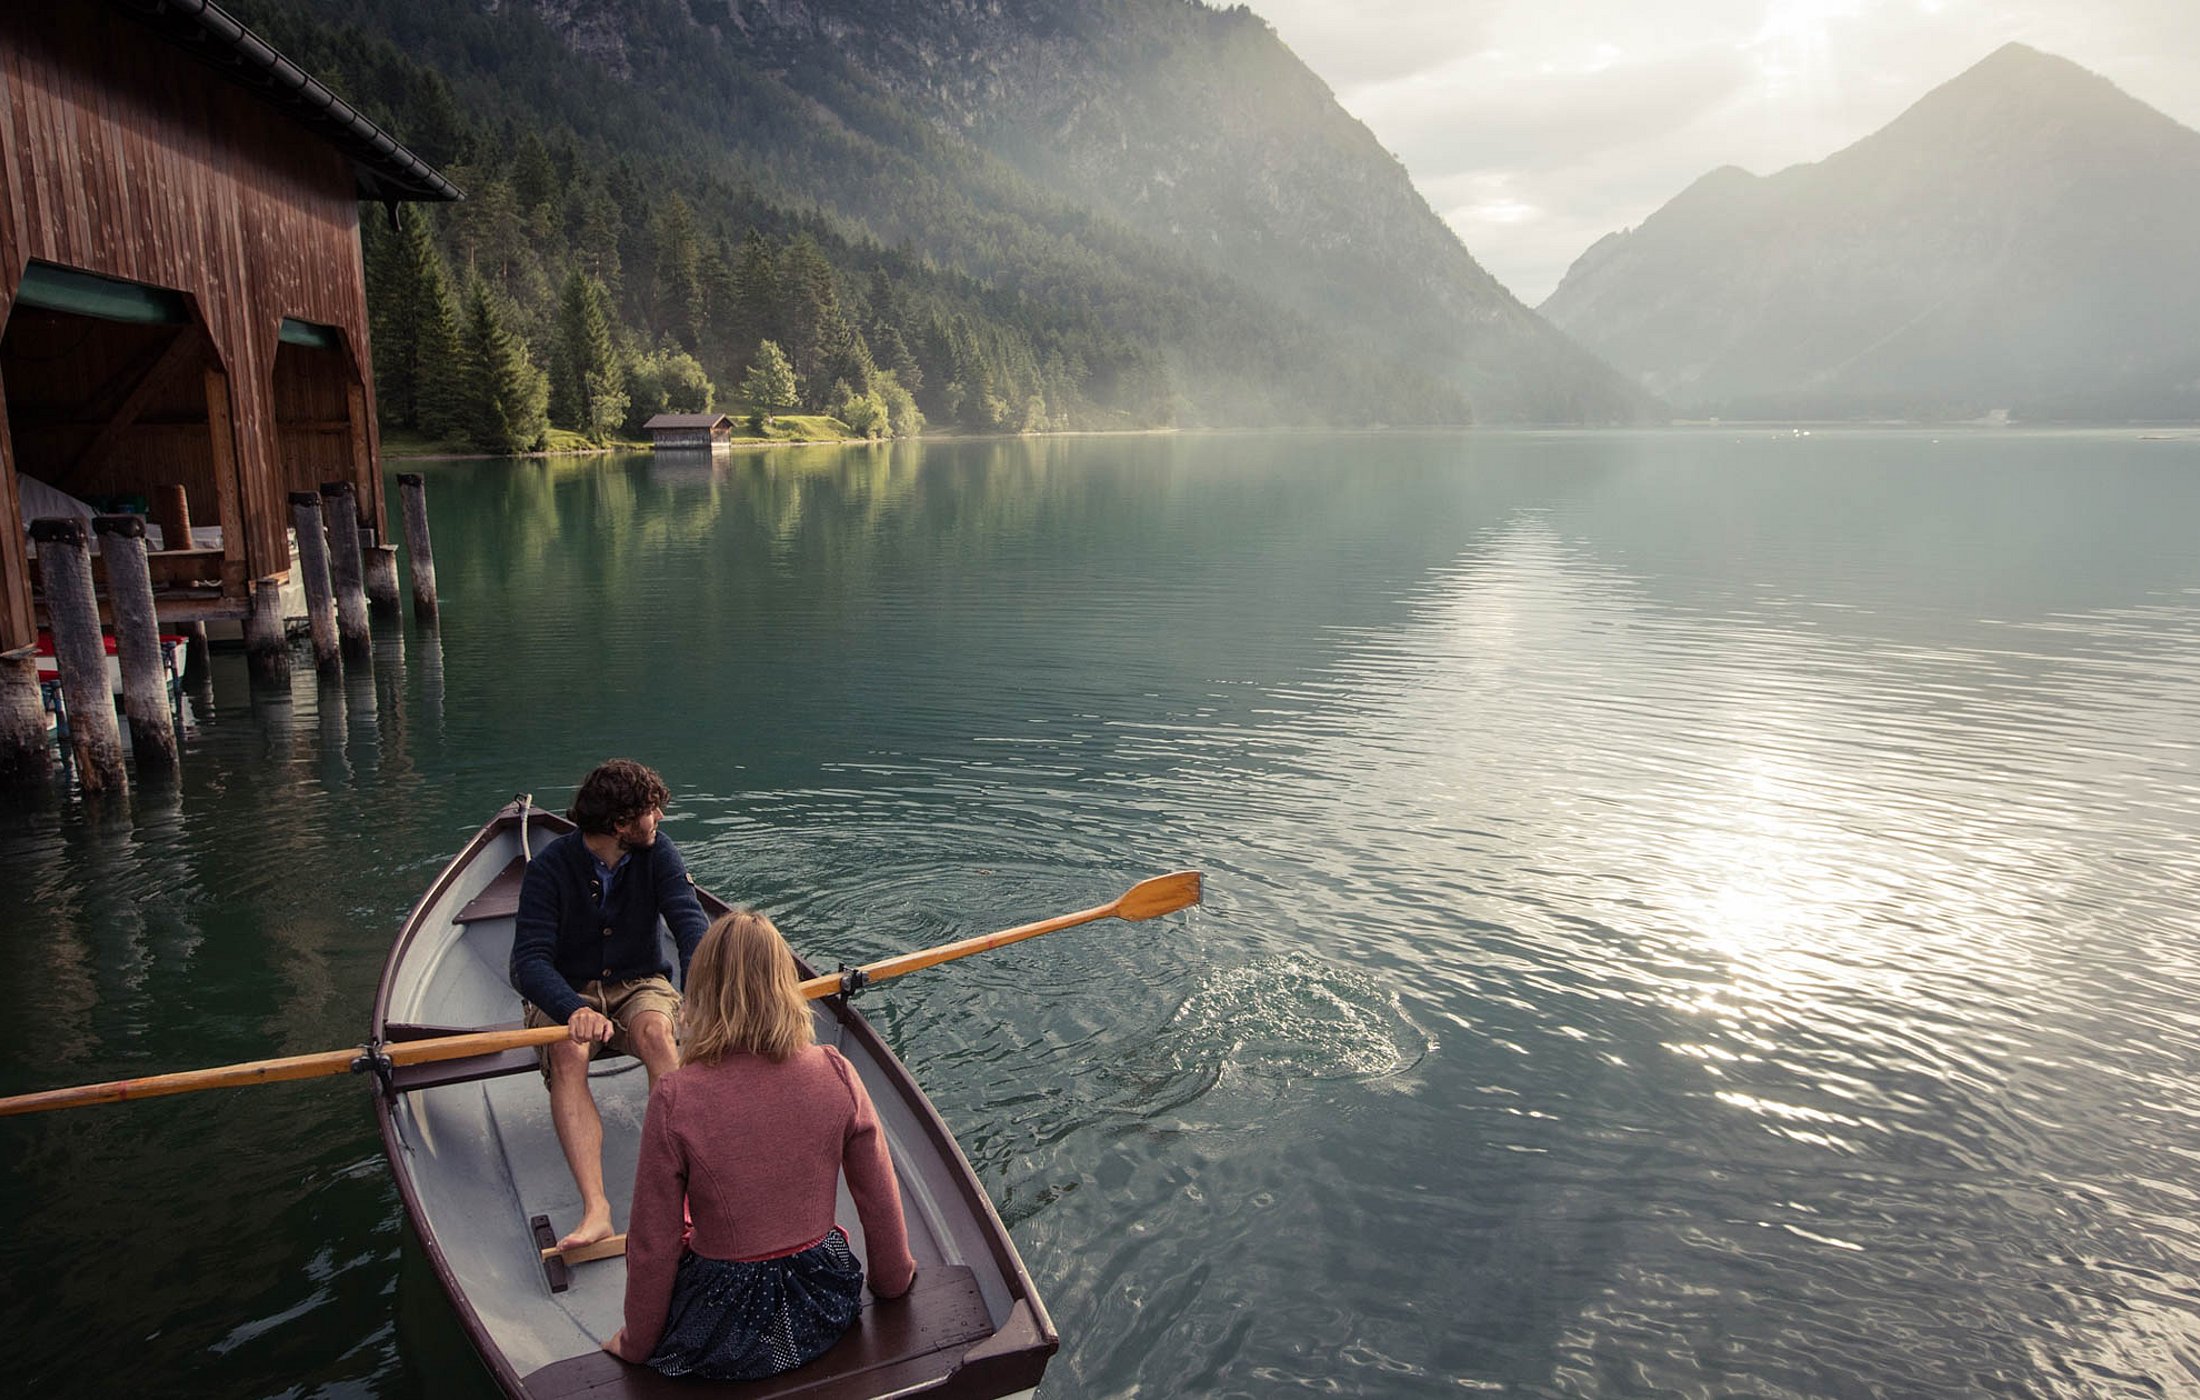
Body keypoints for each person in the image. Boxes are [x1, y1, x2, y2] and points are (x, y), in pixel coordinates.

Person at [602, 910, 918, 1380]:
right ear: (784, 984)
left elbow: (654, 1243)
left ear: (702, 990)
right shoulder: (835, 1071)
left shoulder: (675, 1097)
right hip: (821, 1304)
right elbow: (878, 1201)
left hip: (724, 1326)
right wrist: (892, 1285)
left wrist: (635, 1342)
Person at [510, 759, 710, 1251]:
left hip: (639, 982)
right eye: (650, 811)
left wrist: (701, 994)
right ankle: (596, 1209)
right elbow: (528, 963)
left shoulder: (658, 853)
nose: (659, 818)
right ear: (620, 824)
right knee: (569, 1053)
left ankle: (685, 1190)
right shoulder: (550, 869)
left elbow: (690, 926)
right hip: (567, 987)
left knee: (658, 1035)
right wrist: (568, 1007)